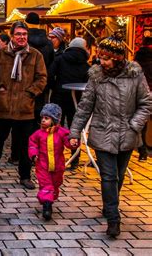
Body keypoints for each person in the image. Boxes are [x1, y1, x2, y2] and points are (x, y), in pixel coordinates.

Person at [69, 34, 152, 238]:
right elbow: (85, 106)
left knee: (119, 176)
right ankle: (114, 219)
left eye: (105, 58)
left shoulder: (135, 75)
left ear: (117, 57)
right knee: (108, 176)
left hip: (127, 134)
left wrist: (134, 125)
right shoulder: (96, 76)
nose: (101, 61)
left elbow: (146, 103)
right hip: (102, 132)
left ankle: (110, 205)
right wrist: (75, 132)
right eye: (99, 57)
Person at [0, 21, 47, 190]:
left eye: (24, 34)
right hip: (3, 107)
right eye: (18, 34)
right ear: (12, 36)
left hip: (24, 108)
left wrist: (30, 93)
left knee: (25, 145)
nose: (22, 37)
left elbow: (42, 78)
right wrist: (0, 87)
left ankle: (25, 176)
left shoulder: (35, 55)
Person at [48, 37, 90, 170]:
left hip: (59, 97)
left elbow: (50, 75)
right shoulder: (85, 64)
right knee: (74, 129)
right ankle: (75, 159)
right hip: (76, 100)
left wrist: (55, 87)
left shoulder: (60, 59)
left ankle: (55, 157)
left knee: (56, 128)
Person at [29, 103, 73, 221]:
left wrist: (73, 143)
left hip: (58, 166)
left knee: (55, 184)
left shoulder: (62, 132)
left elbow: (68, 143)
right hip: (43, 165)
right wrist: (34, 155)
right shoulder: (38, 134)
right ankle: (47, 206)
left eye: (46, 118)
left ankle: (49, 199)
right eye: (42, 118)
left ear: (54, 120)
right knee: (46, 184)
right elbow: (32, 144)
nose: (43, 120)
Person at [134, 37, 152, 161]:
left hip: (137, 95)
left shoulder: (135, 64)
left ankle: (142, 150)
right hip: (150, 94)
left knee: (139, 123)